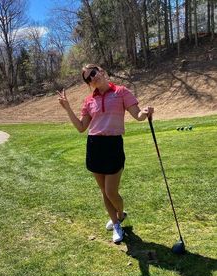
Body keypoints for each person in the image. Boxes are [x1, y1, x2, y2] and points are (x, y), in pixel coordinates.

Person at [57, 64, 154, 243]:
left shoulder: (121, 92)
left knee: (111, 191)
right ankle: (117, 225)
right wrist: (67, 108)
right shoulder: (89, 101)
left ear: (101, 71)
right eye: (88, 78)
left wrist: (145, 113)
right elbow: (81, 127)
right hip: (94, 145)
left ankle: (119, 213)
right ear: (88, 83)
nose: (92, 78)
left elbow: (137, 115)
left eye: (93, 73)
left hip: (113, 145)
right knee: (104, 191)